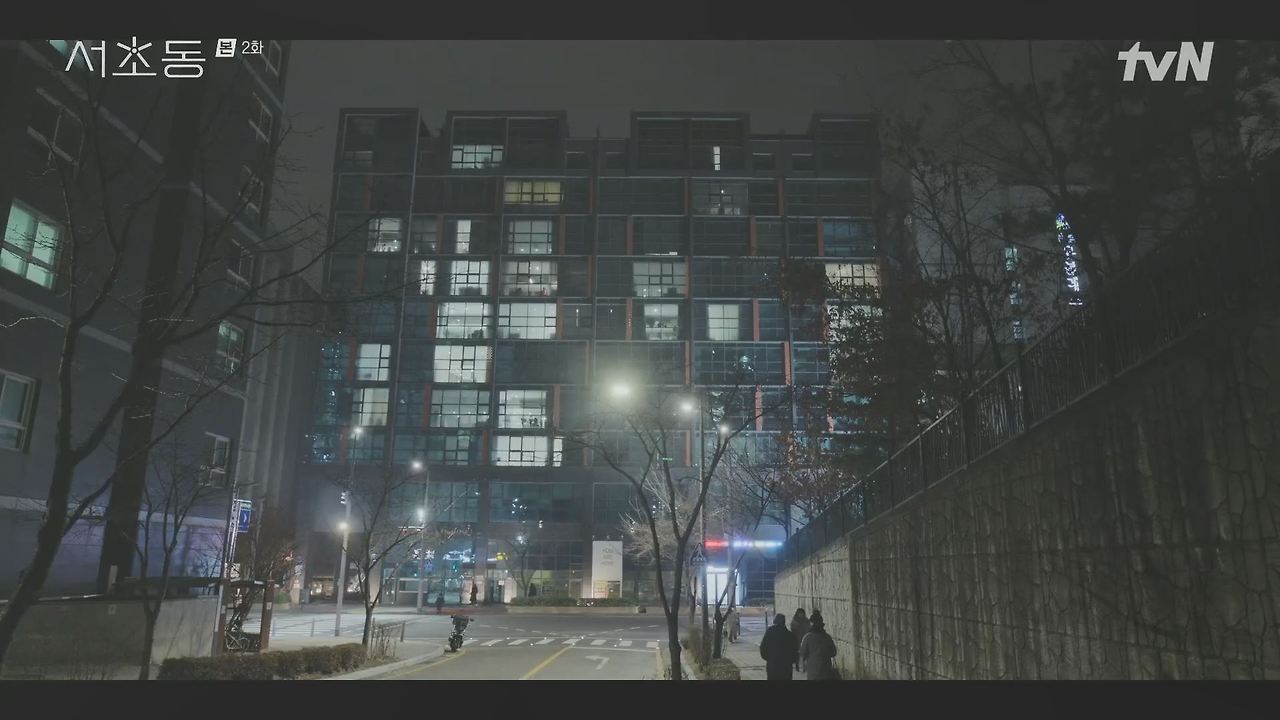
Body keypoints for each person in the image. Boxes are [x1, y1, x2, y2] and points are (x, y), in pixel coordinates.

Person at [800, 613, 839, 681]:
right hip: (826, 671)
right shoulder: (827, 637)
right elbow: (833, 653)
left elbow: (803, 653)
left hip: (813, 672)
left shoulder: (807, 638)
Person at [759, 613, 799, 680]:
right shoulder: (790, 635)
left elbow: (763, 647)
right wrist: (790, 661)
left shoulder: (769, 632)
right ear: (784, 622)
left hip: (773, 665)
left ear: (775, 621)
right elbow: (795, 651)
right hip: (786, 666)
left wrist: (769, 659)